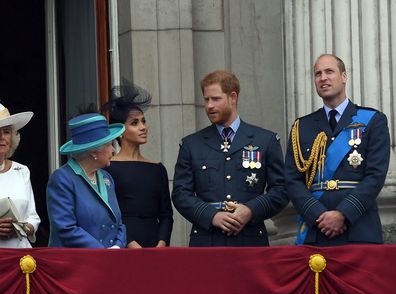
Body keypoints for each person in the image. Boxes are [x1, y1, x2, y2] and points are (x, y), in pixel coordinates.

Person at [172, 70, 288, 247]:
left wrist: (250, 210)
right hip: (207, 240)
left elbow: (281, 190)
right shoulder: (191, 144)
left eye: (215, 99)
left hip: (250, 239)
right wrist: (212, 216)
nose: (209, 106)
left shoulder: (265, 140)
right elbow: (181, 194)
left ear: (233, 97)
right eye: (206, 99)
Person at [285, 54, 390, 246]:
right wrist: (318, 214)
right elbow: (292, 180)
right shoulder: (302, 127)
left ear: (344, 76)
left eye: (329, 72)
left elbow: (375, 176)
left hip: (359, 228)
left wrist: (343, 214)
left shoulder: (373, 120)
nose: (323, 78)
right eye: (318, 74)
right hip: (316, 230)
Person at [103, 83, 173, 248]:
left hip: (156, 245)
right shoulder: (108, 167)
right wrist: (130, 242)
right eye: (134, 123)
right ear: (120, 131)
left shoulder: (157, 168)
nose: (143, 127)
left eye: (143, 121)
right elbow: (111, 213)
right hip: (123, 244)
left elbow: (166, 215)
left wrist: (161, 243)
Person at [46, 110, 127, 248]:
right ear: (94, 152)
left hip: (108, 261)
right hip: (75, 263)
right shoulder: (62, 179)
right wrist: (102, 252)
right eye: (109, 145)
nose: (113, 150)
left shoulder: (107, 178)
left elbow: (118, 224)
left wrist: (117, 247)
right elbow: (66, 228)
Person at [0, 103, 40, 247]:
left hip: (20, 256)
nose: (1, 137)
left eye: (6, 132)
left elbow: (33, 218)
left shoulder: (22, 171)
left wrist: (22, 227)